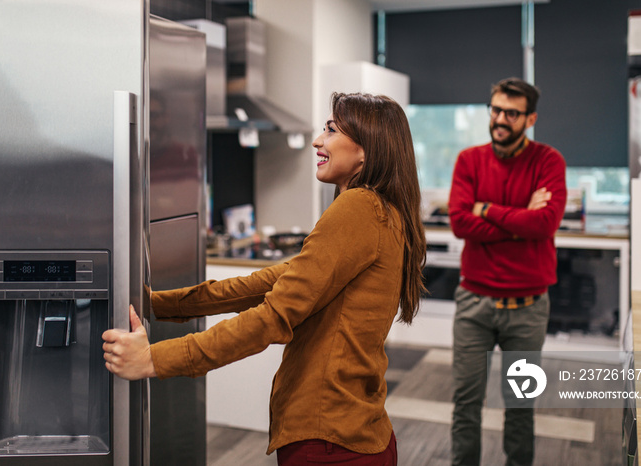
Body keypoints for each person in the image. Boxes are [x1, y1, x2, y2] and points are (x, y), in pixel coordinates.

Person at [102, 92, 427, 465]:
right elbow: (265, 283)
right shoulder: (383, 212)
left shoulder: (358, 209)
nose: (317, 140)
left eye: (332, 130)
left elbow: (273, 317)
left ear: (366, 150)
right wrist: (154, 304)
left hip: (330, 444)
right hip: (355, 431)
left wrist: (155, 360)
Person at [447, 77, 567, 466]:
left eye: (511, 114)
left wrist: (487, 209)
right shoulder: (469, 160)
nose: (500, 119)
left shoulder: (549, 161)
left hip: (528, 308)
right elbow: (460, 223)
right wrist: (519, 220)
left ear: (529, 118)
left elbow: (545, 224)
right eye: (496, 110)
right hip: (474, 304)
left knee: (519, 405)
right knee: (465, 404)